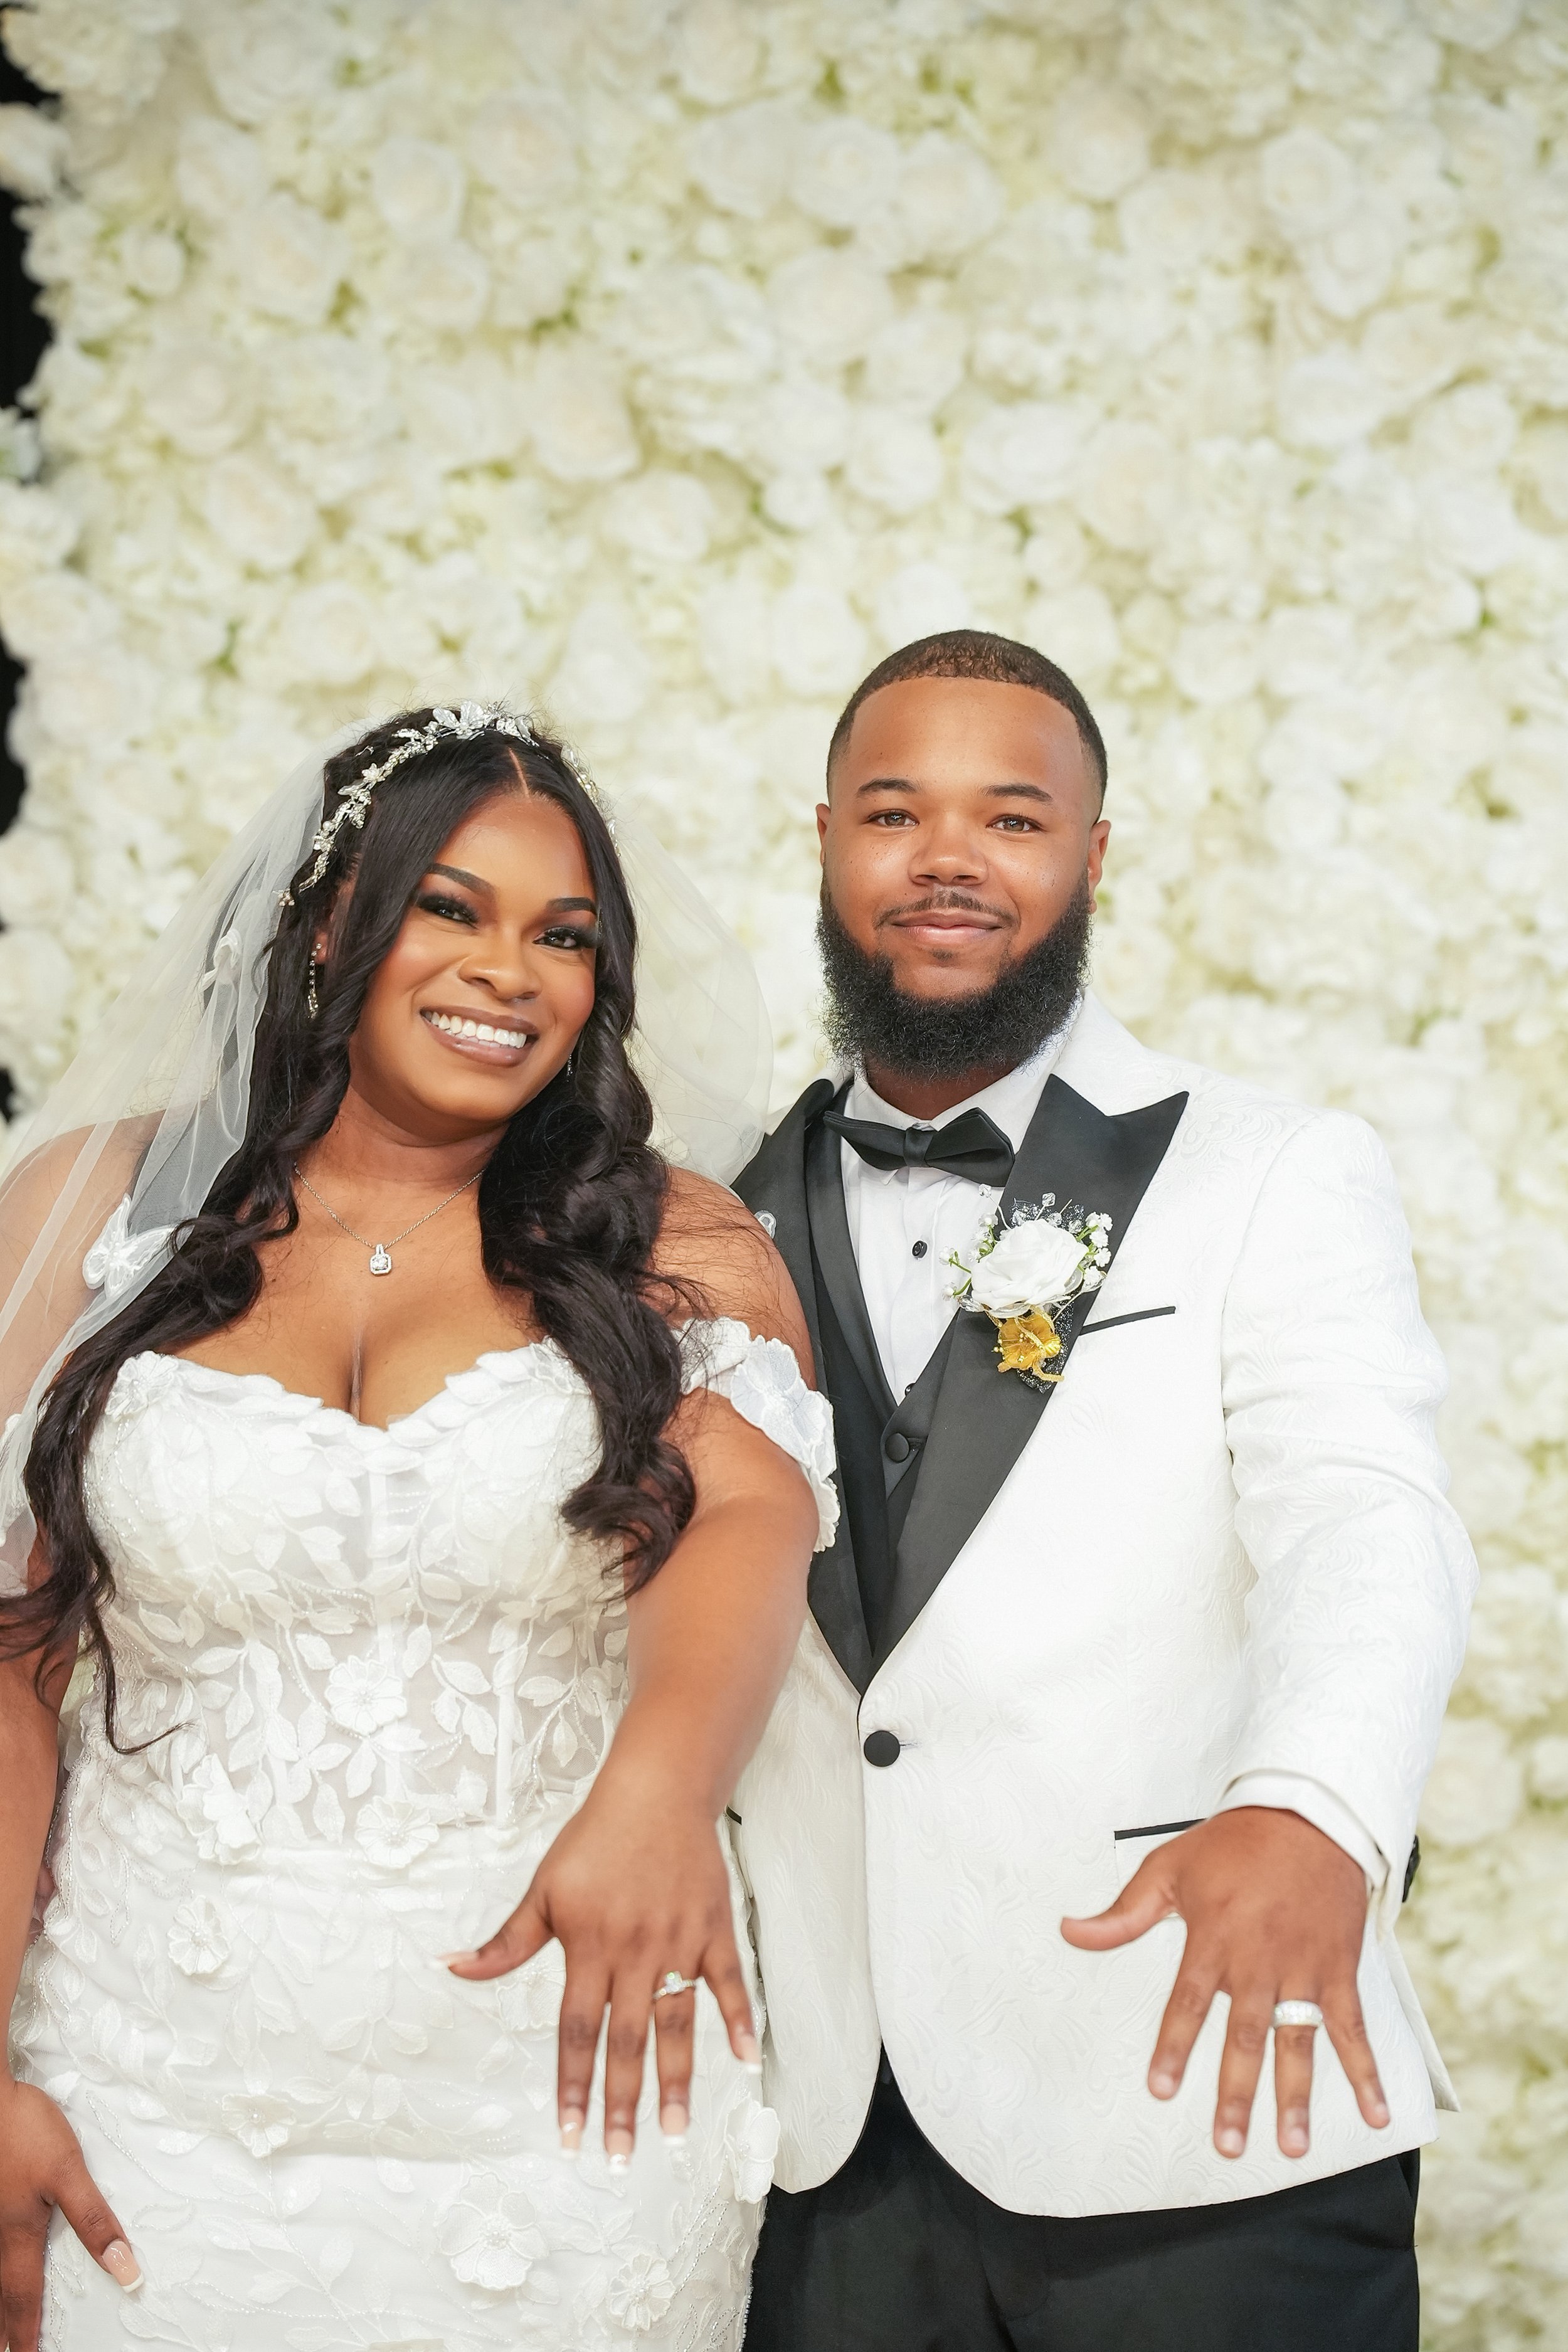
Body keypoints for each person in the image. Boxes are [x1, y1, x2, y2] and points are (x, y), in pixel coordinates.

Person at [0, 702, 837, 2351]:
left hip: (574, 2099)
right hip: (151, 2104)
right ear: (330, 926)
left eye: (563, 934)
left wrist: (660, 1796)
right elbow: (13, 1663)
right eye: (449, 908)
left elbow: (748, 1508)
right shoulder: (91, 1213)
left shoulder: (671, 1242)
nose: (507, 969)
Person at [731, 631, 1477, 2351]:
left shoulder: (1268, 1165)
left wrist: (1307, 1802)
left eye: (1010, 816)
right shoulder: (705, 1210)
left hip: (1197, 2075)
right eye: (893, 811)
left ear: (1090, 856)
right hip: (817, 2129)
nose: (946, 860)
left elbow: (1361, 1507)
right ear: (826, 840)